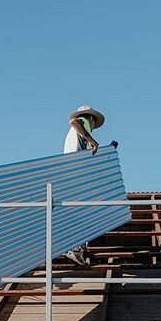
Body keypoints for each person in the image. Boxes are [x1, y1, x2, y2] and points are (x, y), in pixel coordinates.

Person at [63, 105, 107, 266]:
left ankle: (78, 247)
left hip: (72, 173)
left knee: (81, 210)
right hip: (74, 174)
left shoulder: (77, 135)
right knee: (85, 209)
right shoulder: (84, 121)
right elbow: (73, 121)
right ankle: (75, 248)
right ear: (91, 118)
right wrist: (91, 139)